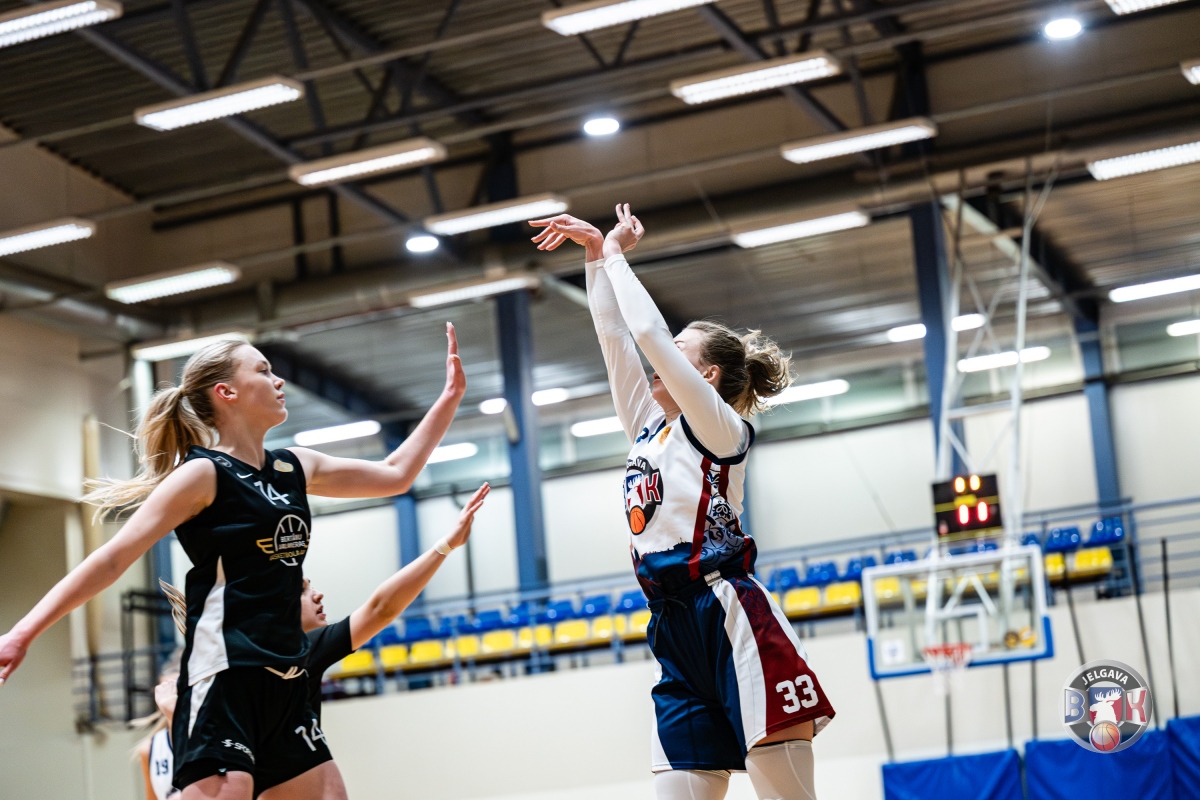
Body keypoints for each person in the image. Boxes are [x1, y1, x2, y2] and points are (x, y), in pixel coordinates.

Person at [0, 323, 469, 800]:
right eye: (263, 371)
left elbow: (396, 474)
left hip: (287, 680)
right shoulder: (202, 474)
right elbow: (111, 560)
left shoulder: (293, 466)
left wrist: (449, 397)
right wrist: (22, 633)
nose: (278, 380)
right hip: (226, 674)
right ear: (226, 392)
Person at [530, 205, 835, 800]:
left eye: (678, 350)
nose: (659, 357)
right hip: (671, 625)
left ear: (708, 376)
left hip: (730, 613)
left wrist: (616, 256)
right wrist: (594, 258)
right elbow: (616, 339)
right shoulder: (650, 426)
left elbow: (645, 332)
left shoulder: (720, 429)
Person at [148, 482, 490, 796]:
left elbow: (382, 608)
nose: (317, 594)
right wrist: (444, 546)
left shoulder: (298, 653)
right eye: (302, 589)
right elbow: (381, 608)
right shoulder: (261, 665)